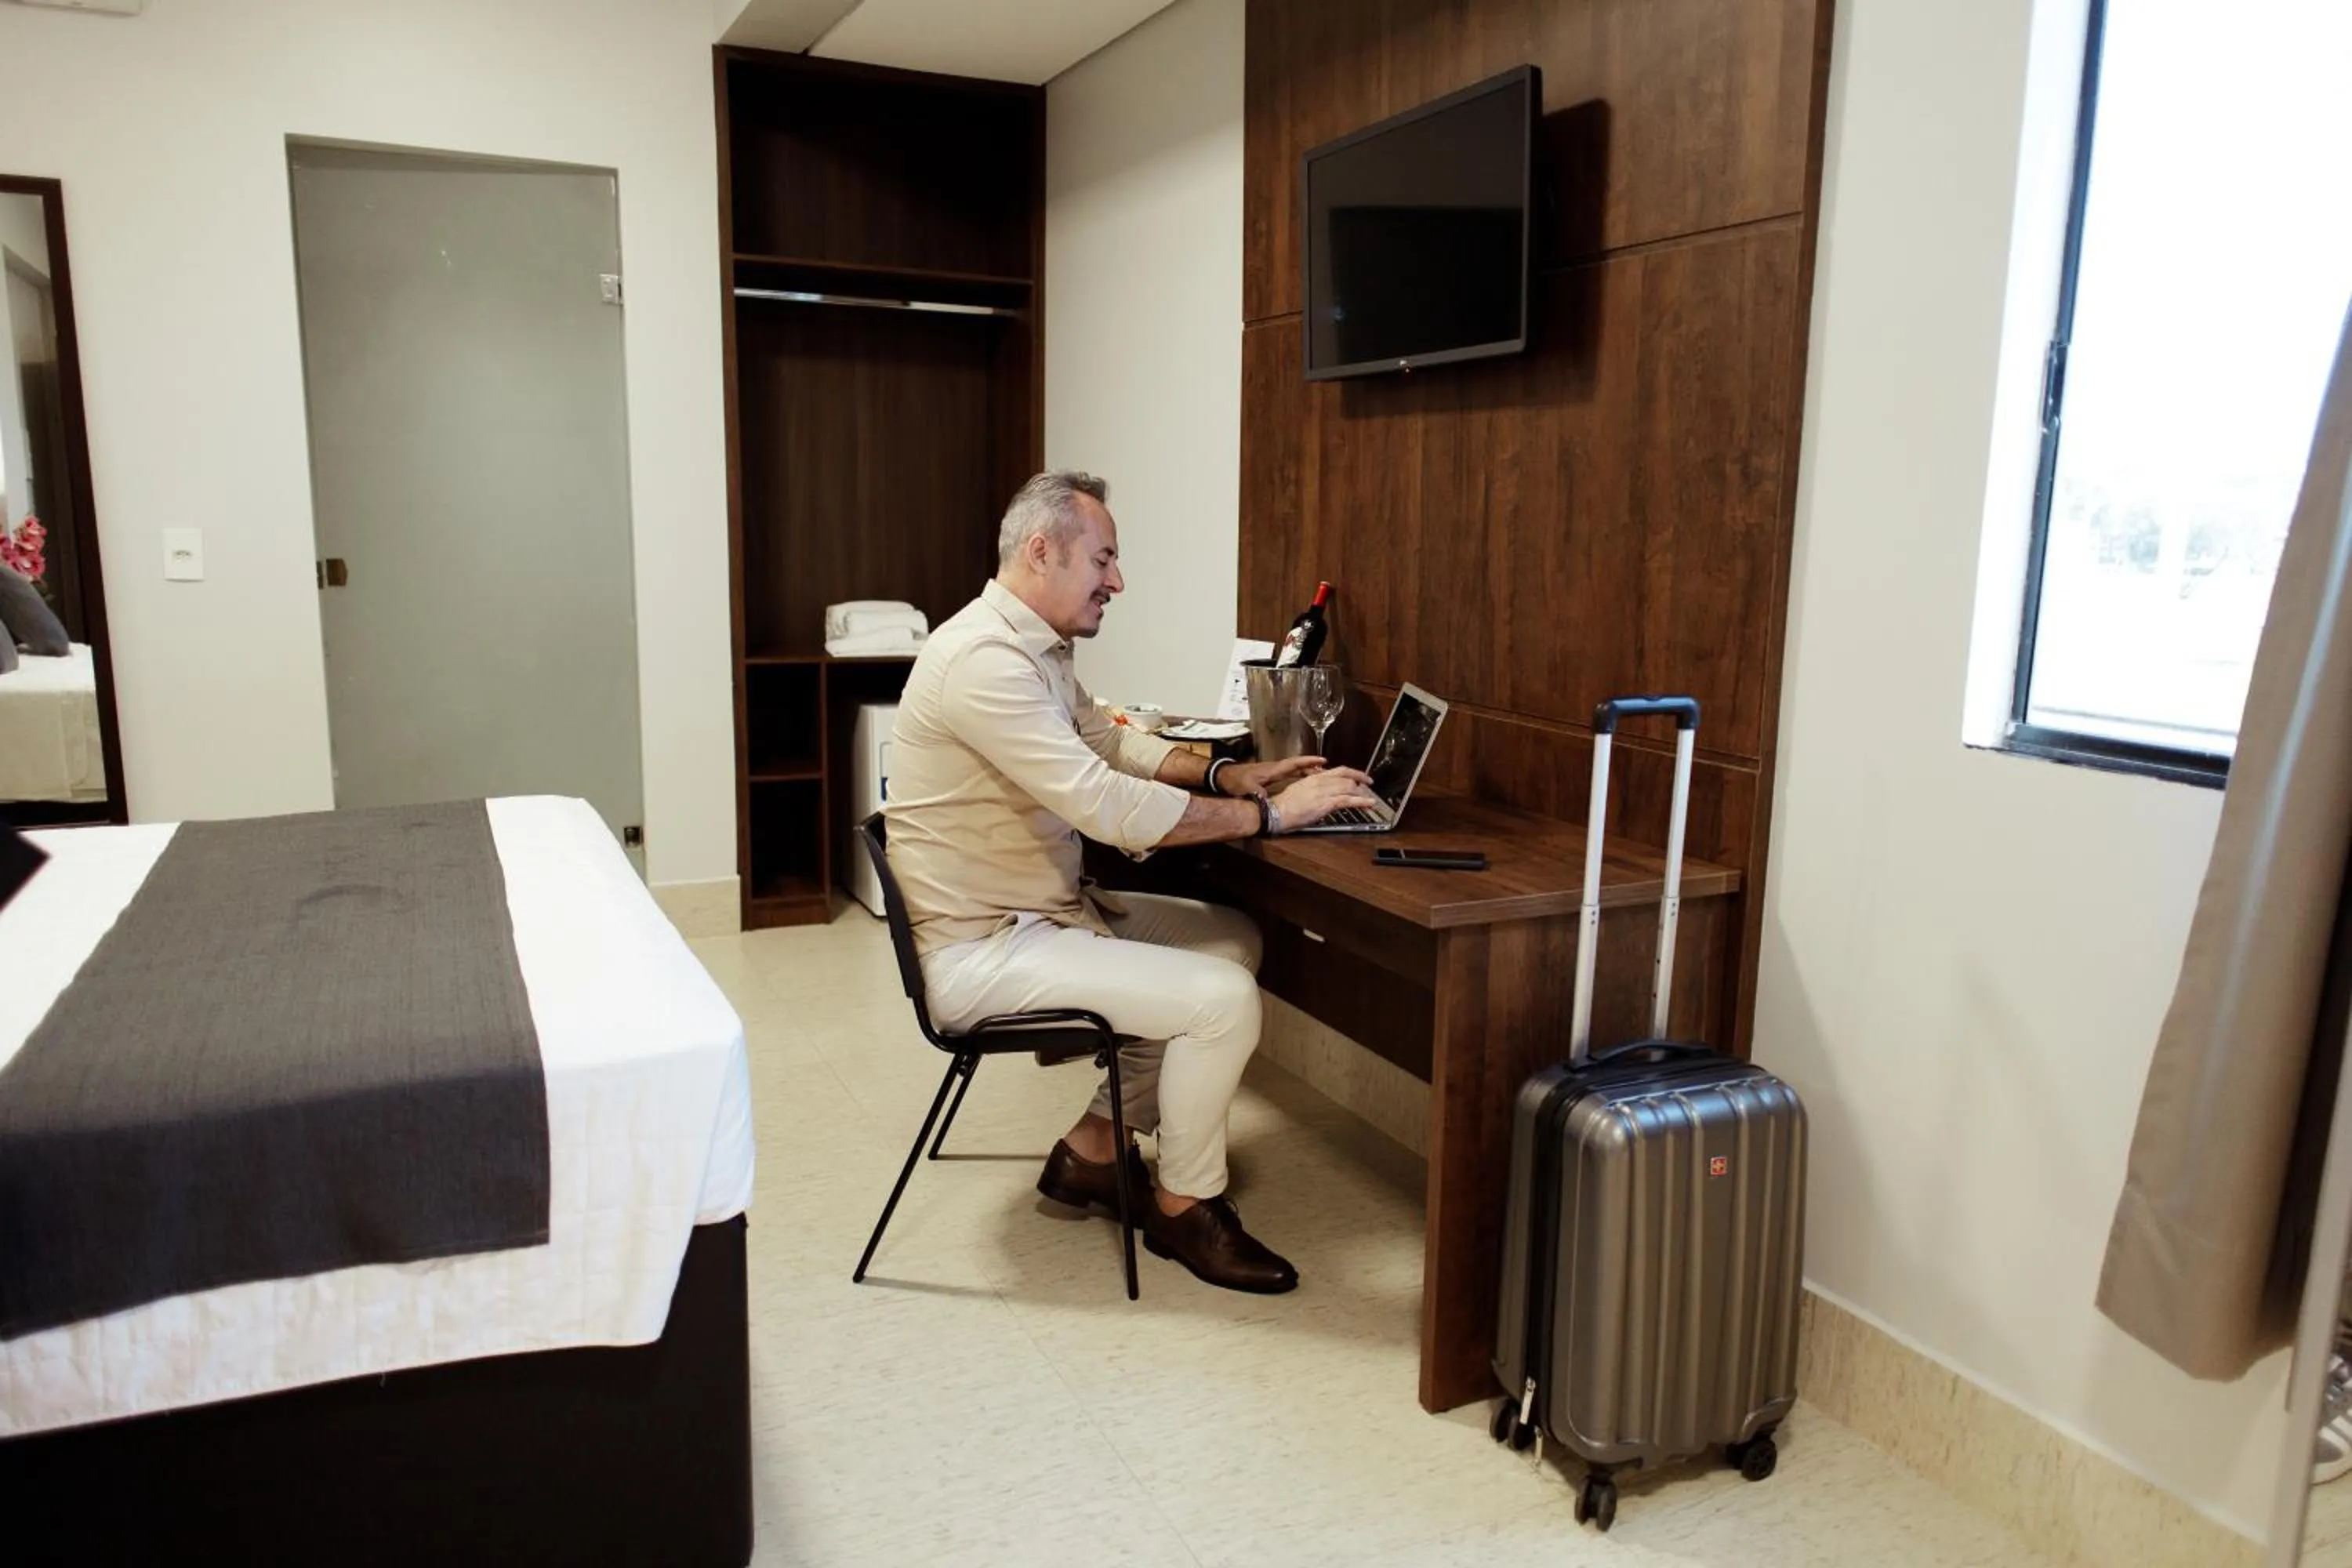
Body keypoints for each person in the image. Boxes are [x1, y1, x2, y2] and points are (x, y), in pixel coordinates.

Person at [884, 471, 1379, 1294]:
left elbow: (1110, 745)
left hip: (1038, 912)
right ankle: (1185, 1206)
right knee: (1220, 999)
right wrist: (1276, 817)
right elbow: (1104, 801)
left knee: (1232, 938)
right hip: (984, 948)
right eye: (1103, 559)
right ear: (1042, 552)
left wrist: (1230, 775)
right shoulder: (983, 662)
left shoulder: (1032, 647)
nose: (1117, 581)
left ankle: (1094, 1149)